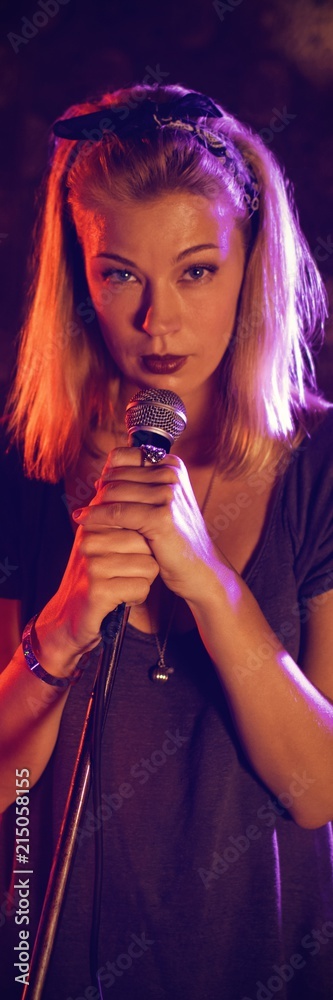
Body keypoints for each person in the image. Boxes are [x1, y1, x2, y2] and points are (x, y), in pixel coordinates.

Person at [0, 81, 332, 1000]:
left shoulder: (320, 465)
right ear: (78, 277)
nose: (159, 323)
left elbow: (318, 787)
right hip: (53, 962)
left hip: (265, 960)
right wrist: (63, 626)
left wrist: (210, 585)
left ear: (250, 266)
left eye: (196, 270)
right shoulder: (23, 467)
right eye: (120, 275)